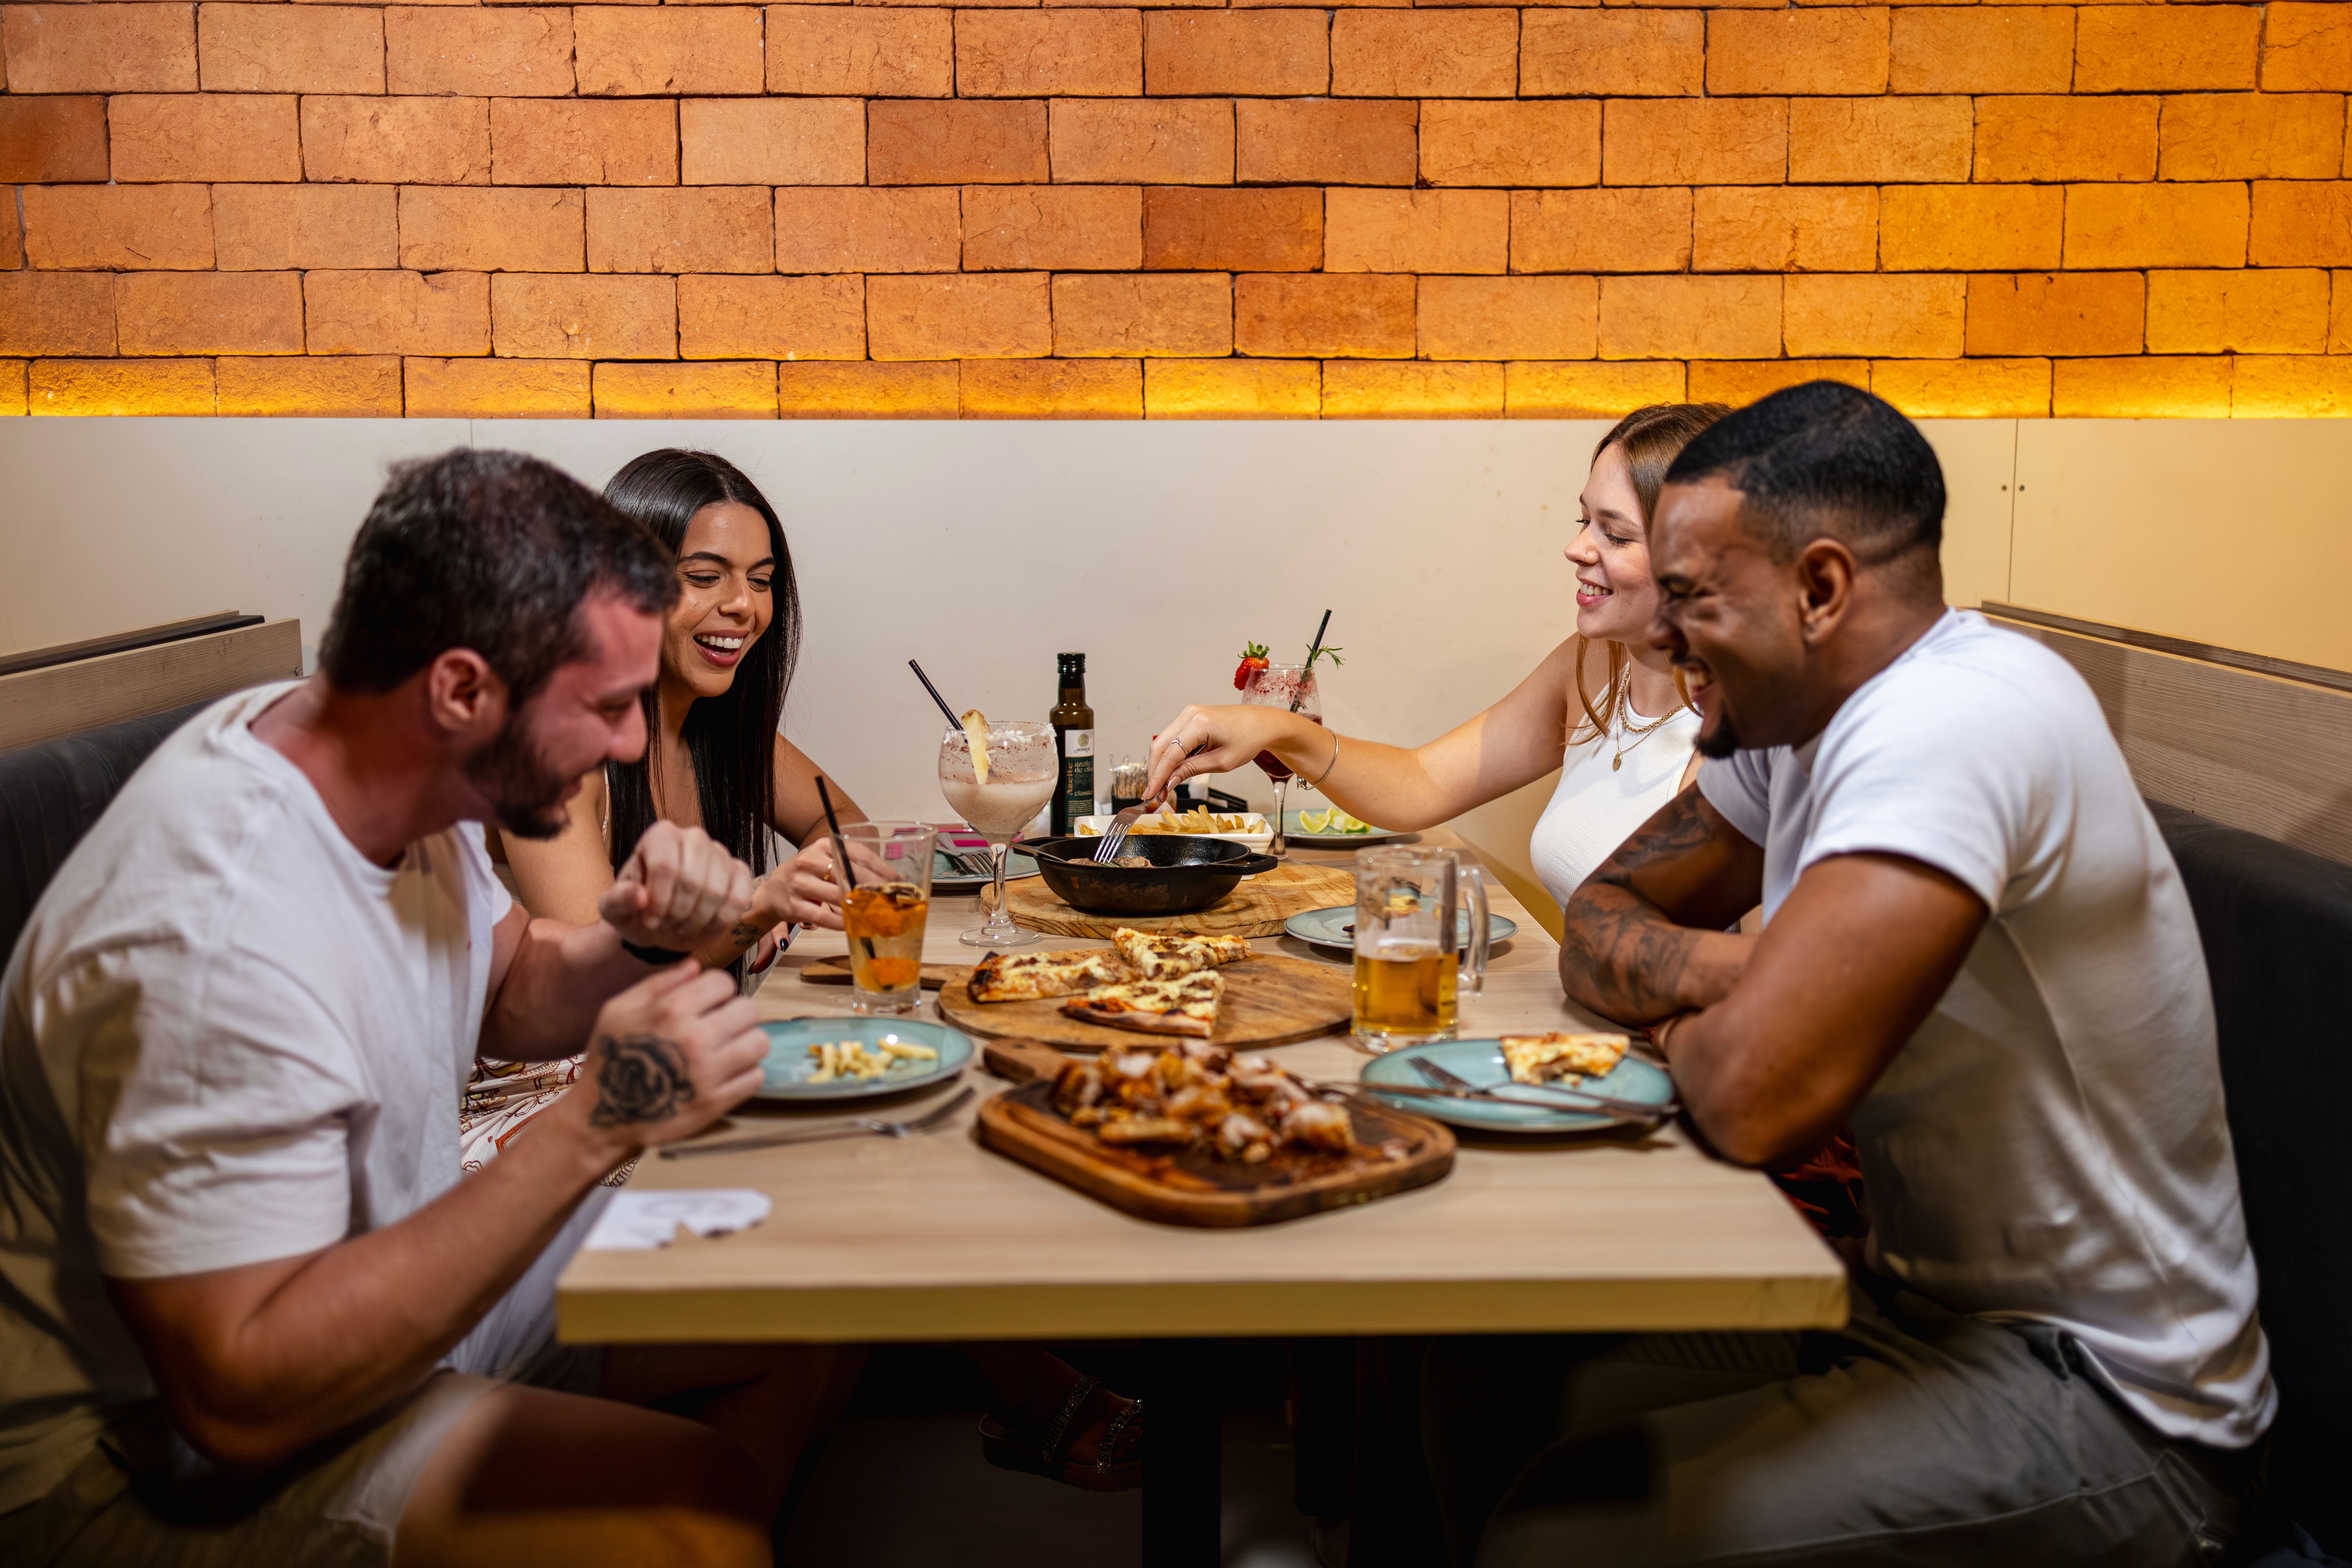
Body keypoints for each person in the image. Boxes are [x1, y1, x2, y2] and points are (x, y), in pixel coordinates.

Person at [1427, 383, 2273, 1564]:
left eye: (1693, 598)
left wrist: (1716, 1010)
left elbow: (1749, 1100)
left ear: (1820, 590)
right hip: (1896, 1312)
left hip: (2115, 1400)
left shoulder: (1949, 725)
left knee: (1559, 1539)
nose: (1665, 638)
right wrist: (1751, 976)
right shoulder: (1790, 722)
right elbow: (1601, 917)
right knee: (1472, 1362)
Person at [0, 450, 854, 1567]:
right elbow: (241, 1401)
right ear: (460, 688)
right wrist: (604, 1113)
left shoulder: (387, 753)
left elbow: (504, 988)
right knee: (688, 1517)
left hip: (391, 1281)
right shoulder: (211, 938)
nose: (633, 744)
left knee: (809, 1289)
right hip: (153, 1465)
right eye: (602, 707)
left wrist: (643, 936)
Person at [1144, 404, 1728, 911]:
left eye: (1616, 535)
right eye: (1584, 521)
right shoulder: (1593, 663)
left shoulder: (1743, 736)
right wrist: (1275, 727)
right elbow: (1420, 785)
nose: (1576, 548)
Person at [469, 449, 865, 1176]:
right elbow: (598, 991)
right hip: (539, 1095)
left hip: (662, 1065)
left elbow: (850, 829)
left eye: (762, 581)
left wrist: (793, 897)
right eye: (704, 578)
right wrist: (755, 908)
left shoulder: (719, 726)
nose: (744, 606)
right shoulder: (556, 742)